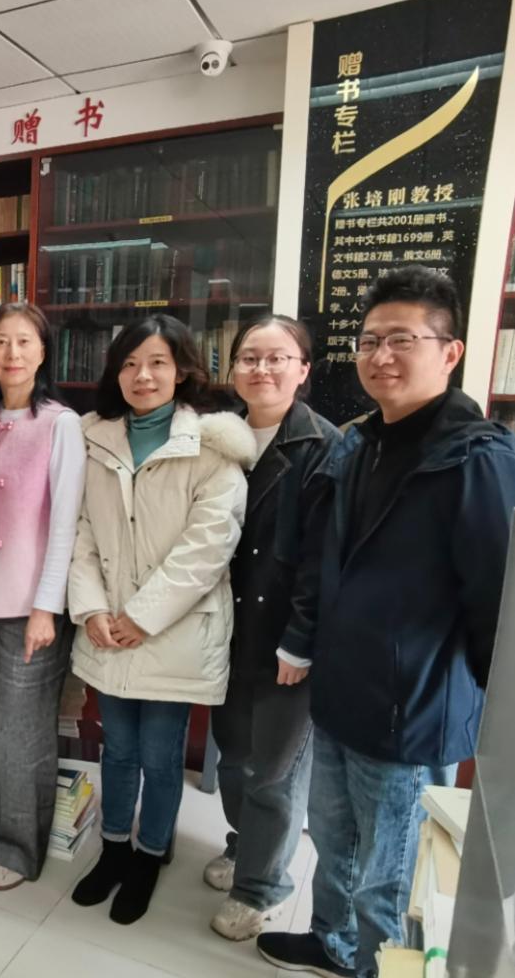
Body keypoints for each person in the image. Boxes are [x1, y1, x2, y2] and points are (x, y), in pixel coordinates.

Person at [256, 267, 515, 978]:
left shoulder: (477, 459)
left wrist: (495, 731)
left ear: (450, 351)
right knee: (333, 840)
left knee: (388, 874)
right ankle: (332, 945)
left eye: (403, 339)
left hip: (412, 712)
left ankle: (380, 967)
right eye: (370, 341)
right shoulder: (360, 443)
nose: (381, 356)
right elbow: (324, 560)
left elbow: (496, 606)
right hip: (343, 691)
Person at [67, 314, 253, 924]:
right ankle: (114, 848)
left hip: (172, 632)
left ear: (182, 371)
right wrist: (93, 608)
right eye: (129, 363)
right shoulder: (93, 440)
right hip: (107, 630)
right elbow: (81, 532)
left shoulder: (214, 448)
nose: (142, 376)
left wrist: (142, 618)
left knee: (159, 754)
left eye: (156, 363)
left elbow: (207, 549)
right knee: (117, 749)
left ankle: (149, 855)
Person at [205, 315, 339, 941]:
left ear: (303, 369)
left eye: (277, 357)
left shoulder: (324, 447)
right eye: (249, 357)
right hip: (226, 629)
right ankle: (245, 847)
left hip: (285, 637)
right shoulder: (219, 438)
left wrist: (301, 640)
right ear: (233, 369)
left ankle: (262, 887)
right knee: (234, 755)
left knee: (275, 771)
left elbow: (325, 559)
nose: (261, 368)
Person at [0, 302, 85, 890]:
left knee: (17, 729)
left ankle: (19, 847)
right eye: (1, 342)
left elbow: (66, 525)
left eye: (24, 342)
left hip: (32, 604)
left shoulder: (60, 424)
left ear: (43, 351)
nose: (12, 353)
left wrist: (46, 607)